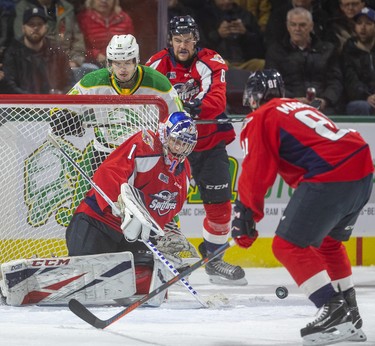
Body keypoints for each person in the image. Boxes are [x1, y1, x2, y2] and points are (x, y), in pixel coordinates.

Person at [231, 69, 373, 344]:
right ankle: (351, 315)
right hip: (363, 169)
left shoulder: (261, 116)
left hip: (331, 173)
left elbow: (255, 170)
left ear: (253, 98)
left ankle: (333, 311)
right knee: (329, 244)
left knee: (286, 246)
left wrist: (245, 216)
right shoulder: (296, 107)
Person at [60, 34, 199, 270]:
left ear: (136, 61)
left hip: (143, 157)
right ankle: (81, 257)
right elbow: (63, 109)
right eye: (117, 63)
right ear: (109, 63)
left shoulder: (158, 83)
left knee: (158, 199)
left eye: (127, 63)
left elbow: (175, 119)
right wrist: (64, 119)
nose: (122, 69)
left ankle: (166, 232)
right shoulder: (93, 81)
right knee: (89, 210)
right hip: (104, 155)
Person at [146, 15, 247, 285]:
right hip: (172, 148)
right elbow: (144, 101)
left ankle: (214, 259)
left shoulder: (212, 61)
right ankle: (159, 257)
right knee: (161, 202)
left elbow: (216, 99)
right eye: (178, 40)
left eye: (188, 40)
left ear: (196, 40)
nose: (183, 46)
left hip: (209, 143)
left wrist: (189, 108)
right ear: (170, 41)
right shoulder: (155, 64)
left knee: (220, 206)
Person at [65, 111, 198, 300]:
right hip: (97, 221)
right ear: (166, 134)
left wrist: (165, 235)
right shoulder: (147, 144)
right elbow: (108, 172)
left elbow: (166, 213)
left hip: (131, 236)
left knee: (150, 284)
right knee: (85, 281)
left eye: (185, 144)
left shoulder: (183, 173)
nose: (179, 148)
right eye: (177, 141)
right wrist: (123, 204)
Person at [265, 7, 344, 115]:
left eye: (302, 25)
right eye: (293, 25)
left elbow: (335, 81)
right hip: (287, 107)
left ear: (311, 26)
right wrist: (292, 100)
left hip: (323, 108)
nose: (297, 29)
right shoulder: (276, 51)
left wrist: (326, 100)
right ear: (288, 26)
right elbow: (272, 84)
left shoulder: (328, 50)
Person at [3, 7, 75, 94]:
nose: (36, 28)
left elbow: (70, 82)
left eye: (40, 24)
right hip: (23, 105)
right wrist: (31, 101)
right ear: (23, 28)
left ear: (46, 28)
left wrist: (59, 95)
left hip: (54, 105)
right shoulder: (12, 53)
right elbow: (9, 86)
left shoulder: (57, 52)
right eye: (31, 24)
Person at [13, 0, 88, 75]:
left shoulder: (65, 7)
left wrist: (75, 61)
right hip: (37, 64)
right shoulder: (24, 7)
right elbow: (21, 38)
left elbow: (78, 39)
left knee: (91, 70)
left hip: (68, 61)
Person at [197, 0, 265, 72]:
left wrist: (245, 34)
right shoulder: (204, 16)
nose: (226, 2)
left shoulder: (246, 15)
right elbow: (199, 48)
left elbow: (260, 50)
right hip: (219, 60)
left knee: (262, 64)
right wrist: (218, 34)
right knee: (219, 63)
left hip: (244, 62)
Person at [77, 0, 134, 68]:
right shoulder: (83, 18)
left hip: (120, 63)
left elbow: (131, 44)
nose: (104, 1)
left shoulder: (124, 18)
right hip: (92, 63)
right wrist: (96, 55)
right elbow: (78, 46)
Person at [341, 7, 375, 115]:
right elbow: (351, 81)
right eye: (359, 23)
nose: (363, 27)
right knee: (360, 106)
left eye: (368, 23)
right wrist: (367, 96)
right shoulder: (348, 51)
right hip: (361, 99)